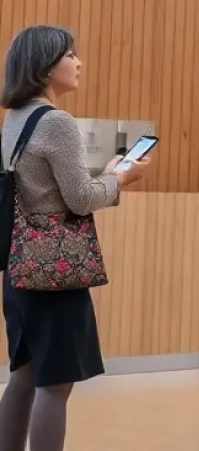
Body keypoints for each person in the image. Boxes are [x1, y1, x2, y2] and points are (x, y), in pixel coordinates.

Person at [0, 26, 149, 451]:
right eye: (71, 55)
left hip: (19, 265)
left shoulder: (14, 119)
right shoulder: (57, 122)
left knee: (24, 378)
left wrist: (108, 175)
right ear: (47, 66)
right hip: (55, 272)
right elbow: (80, 199)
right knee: (56, 385)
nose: (79, 62)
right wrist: (122, 178)